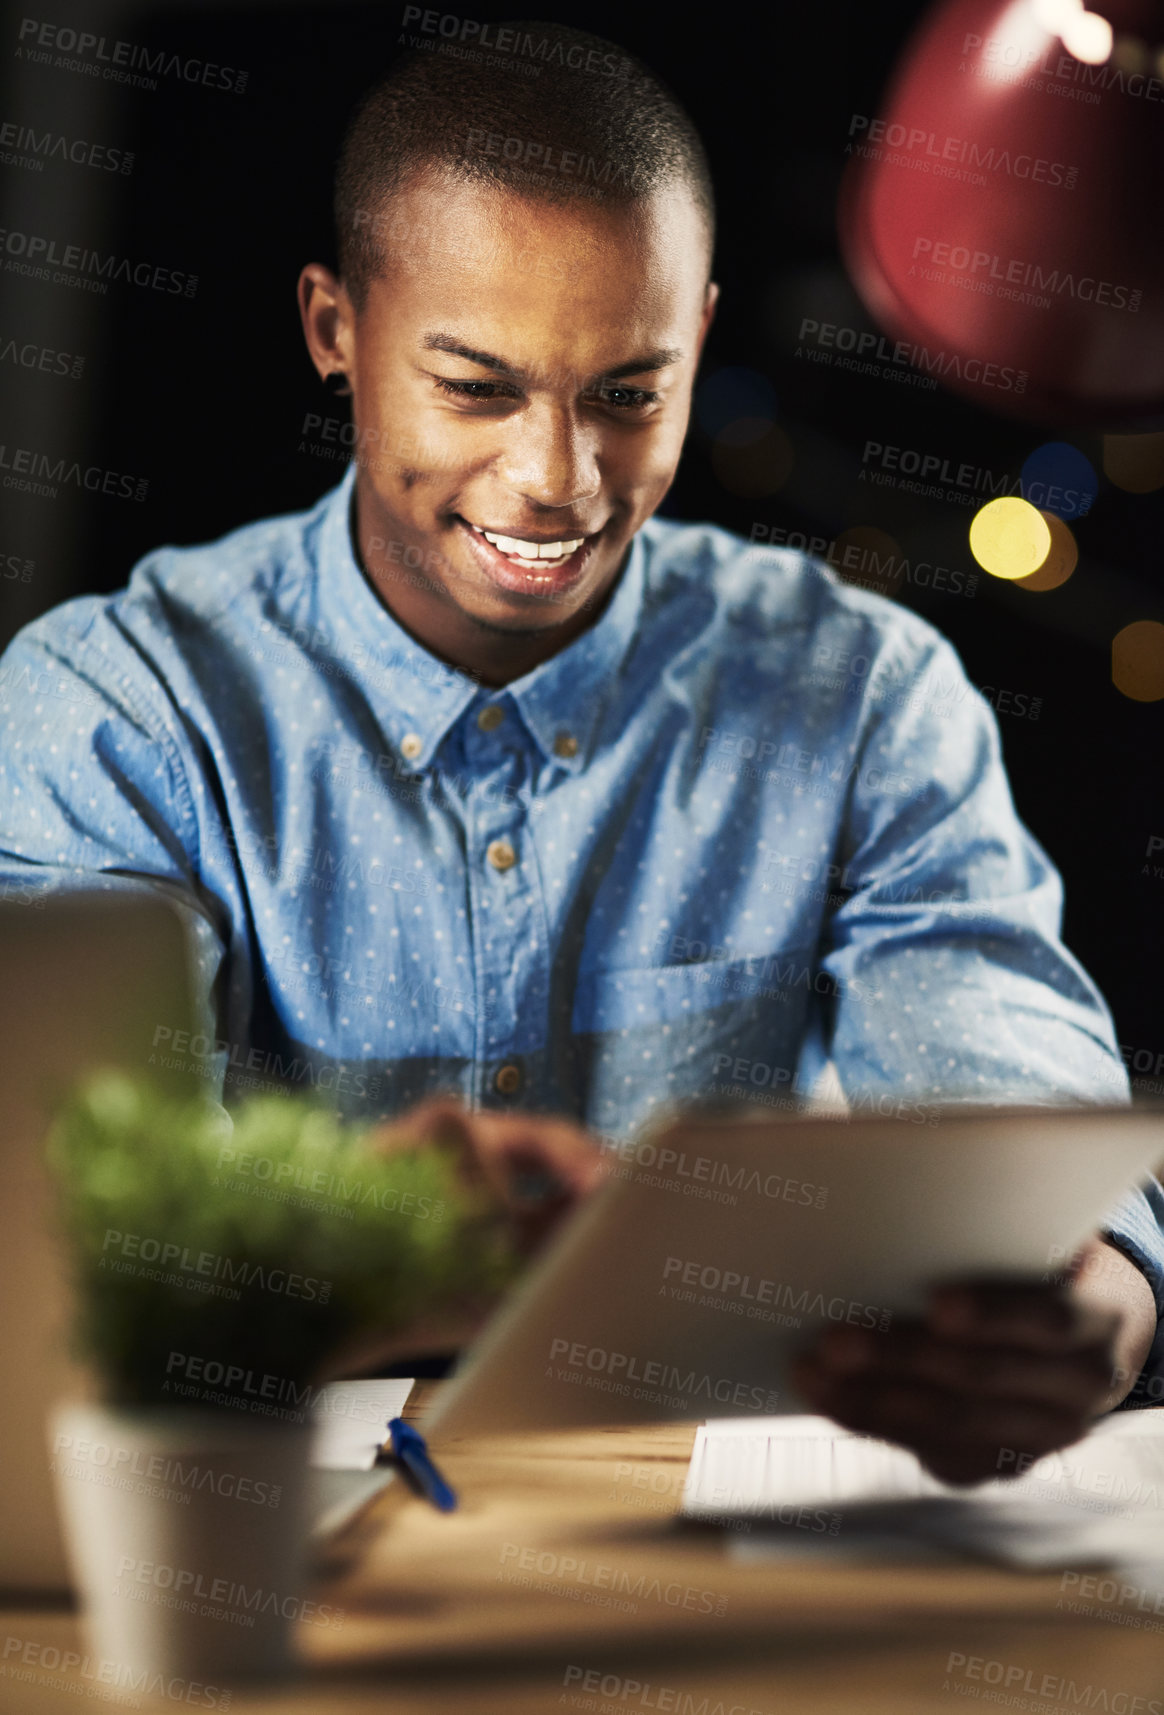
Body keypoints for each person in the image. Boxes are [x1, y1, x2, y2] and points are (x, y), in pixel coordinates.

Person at [1, 23, 1161, 1482]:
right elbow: (85, 1250)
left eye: (628, 392)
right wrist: (393, 1258)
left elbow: (1030, 1134)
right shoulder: (109, 712)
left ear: (699, 336)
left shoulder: (864, 697)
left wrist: (1093, 1303)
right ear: (334, 329)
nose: (557, 481)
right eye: (477, 386)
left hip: (708, 1596)